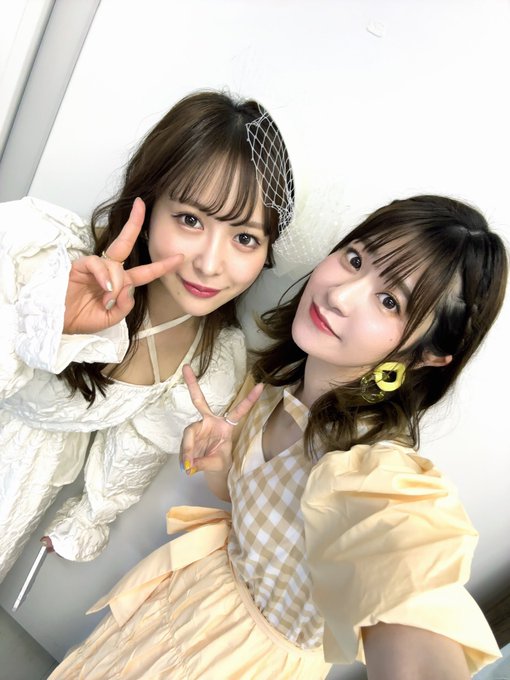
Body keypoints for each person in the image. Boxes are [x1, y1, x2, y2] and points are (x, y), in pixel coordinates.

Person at [48, 195, 507, 679]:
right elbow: (265, 518)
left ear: (429, 355)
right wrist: (224, 464)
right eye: (355, 259)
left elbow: (408, 572)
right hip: (178, 607)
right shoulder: (273, 391)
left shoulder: (371, 466)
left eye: (390, 301)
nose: (340, 295)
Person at [0, 89, 294, 582]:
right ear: (148, 206)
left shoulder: (209, 363)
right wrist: (48, 320)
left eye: (244, 237)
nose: (210, 263)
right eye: (190, 220)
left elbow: (132, 449)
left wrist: (88, 519)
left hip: (23, 488)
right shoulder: (47, 253)